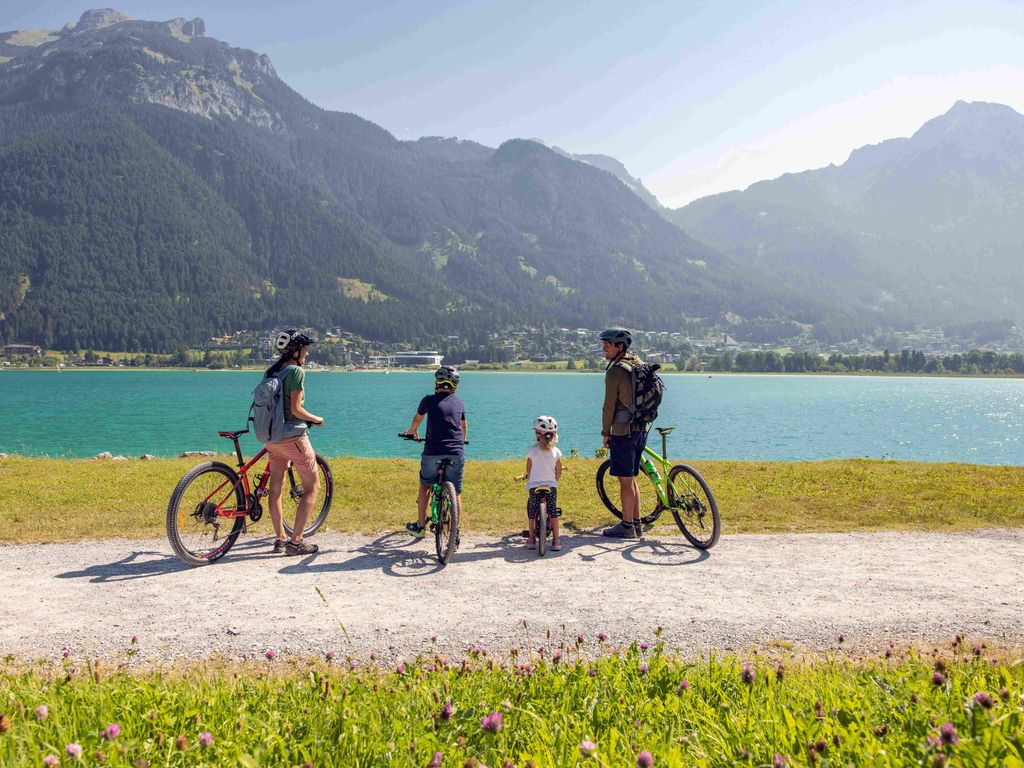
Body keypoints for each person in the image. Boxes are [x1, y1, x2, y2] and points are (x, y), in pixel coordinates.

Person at [264, 329, 324, 555]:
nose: (307, 353)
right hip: (292, 437)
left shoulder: (272, 372)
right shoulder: (296, 372)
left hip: (272, 438)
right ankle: (296, 542)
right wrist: (316, 419)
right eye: (305, 349)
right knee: (312, 487)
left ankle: (280, 539)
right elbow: (296, 409)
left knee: (275, 488)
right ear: (295, 351)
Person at [400, 365, 467, 537]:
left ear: (436, 382)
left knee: (425, 485)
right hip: (456, 452)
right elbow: (463, 427)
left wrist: (412, 431)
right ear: (454, 386)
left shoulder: (428, 400)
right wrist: (461, 441)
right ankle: (455, 533)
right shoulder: (459, 402)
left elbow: (418, 418)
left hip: (433, 452)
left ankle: (420, 526)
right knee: (456, 491)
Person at [599, 327, 646, 539]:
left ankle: (627, 526)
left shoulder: (616, 371)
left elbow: (609, 406)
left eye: (607, 345)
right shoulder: (637, 362)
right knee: (631, 478)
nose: (604, 348)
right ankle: (636, 524)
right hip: (640, 429)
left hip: (622, 431)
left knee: (625, 481)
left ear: (619, 346)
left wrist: (606, 432)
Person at [515, 415, 564, 551]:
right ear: (554, 435)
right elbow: (558, 470)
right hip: (551, 486)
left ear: (537, 435)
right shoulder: (556, 452)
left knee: (532, 512)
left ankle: (531, 539)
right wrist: (555, 480)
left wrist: (530, 479)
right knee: (553, 512)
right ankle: (556, 541)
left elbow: (529, 469)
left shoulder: (532, 451)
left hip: (534, 486)